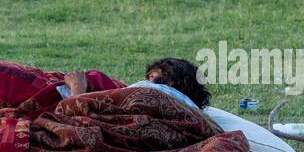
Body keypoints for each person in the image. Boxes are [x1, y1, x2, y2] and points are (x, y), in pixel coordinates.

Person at [62, 57, 210, 109]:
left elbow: (72, 116)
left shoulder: (149, 93)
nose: (148, 77)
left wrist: (77, 87)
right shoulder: (188, 110)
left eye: (154, 72)